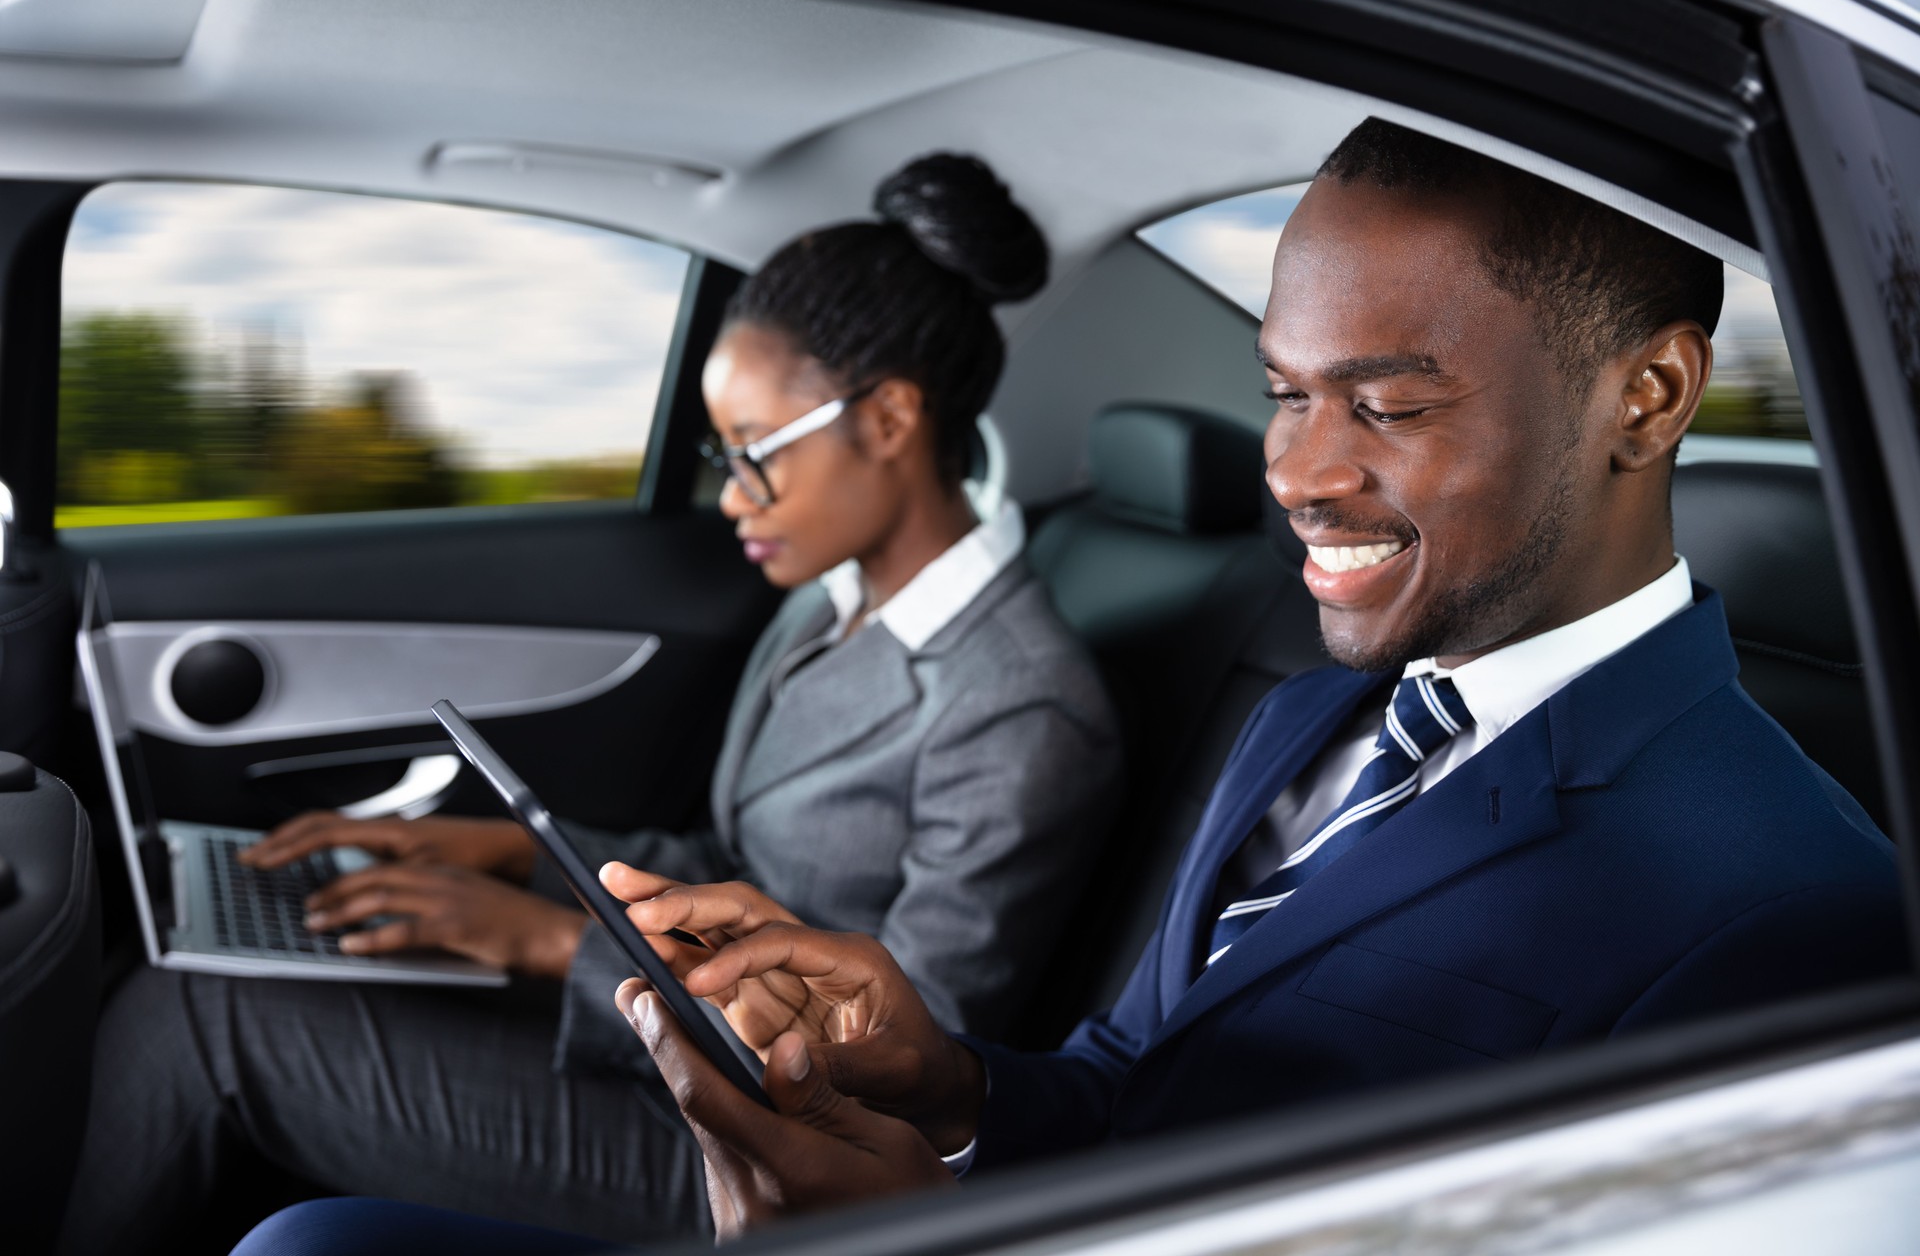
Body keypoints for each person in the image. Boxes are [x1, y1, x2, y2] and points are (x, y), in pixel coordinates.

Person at [227, 117, 1908, 1254]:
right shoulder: (1312, 713)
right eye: (1282, 393)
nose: (1297, 476)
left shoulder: (1794, 917)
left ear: (1649, 396)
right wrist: (947, 1093)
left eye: (1384, 407)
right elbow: (1121, 1093)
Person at [58, 153, 1121, 1255]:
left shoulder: (1022, 710)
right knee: (202, 974)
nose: (729, 495)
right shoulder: (832, 598)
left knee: (200, 1019)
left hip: (757, 1154)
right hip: (661, 1042)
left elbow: (901, 1064)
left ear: (891, 419)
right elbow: (730, 857)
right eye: (722, 453)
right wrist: (499, 857)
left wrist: (548, 942)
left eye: (756, 455)